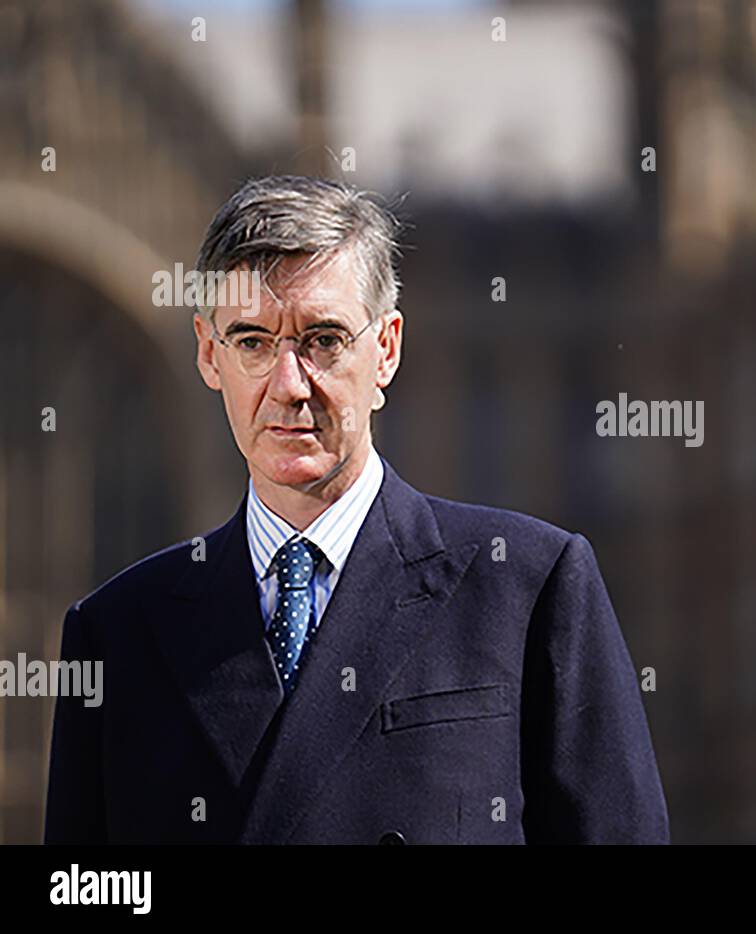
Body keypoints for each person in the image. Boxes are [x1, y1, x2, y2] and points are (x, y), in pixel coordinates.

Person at [43, 175, 670, 844]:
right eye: (252, 342)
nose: (289, 386)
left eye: (324, 340)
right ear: (208, 353)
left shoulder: (527, 589)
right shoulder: (116, 634)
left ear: (387, 349)